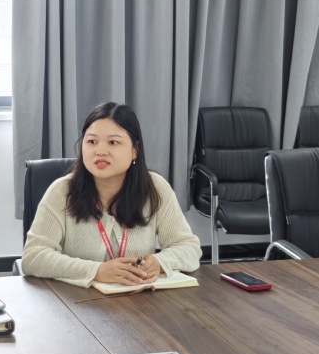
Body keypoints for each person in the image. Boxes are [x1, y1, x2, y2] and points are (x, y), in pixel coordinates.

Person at [22, 102, 202, 287]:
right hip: (76, 300)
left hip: (138, 298)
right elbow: (33, 256)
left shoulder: (155, 188)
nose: (100, 151)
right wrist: (96, 271)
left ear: (134, 151)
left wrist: (159, 262)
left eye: (113, 142)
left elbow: (188, 247)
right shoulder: (62, 191)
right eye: (92, 142)